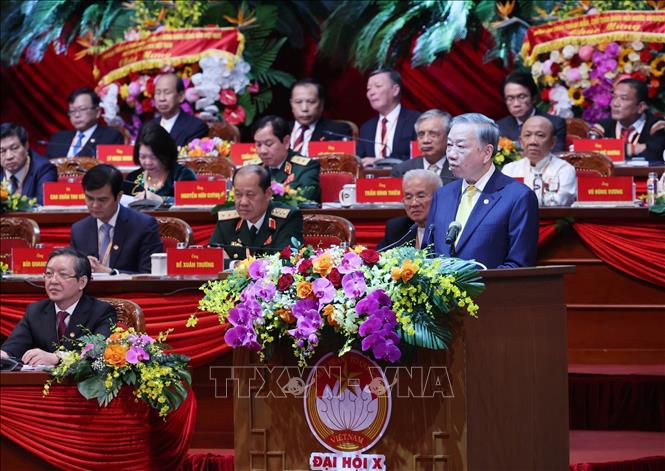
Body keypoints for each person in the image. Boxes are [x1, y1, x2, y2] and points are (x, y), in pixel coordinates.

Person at [426, 113, 539, 269]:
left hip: (492, 292)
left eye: (460, 146)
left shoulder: (518, 197)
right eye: (449, 145)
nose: (451, 154)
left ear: (487, 153)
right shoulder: (442, 195)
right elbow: (428, 254)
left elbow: (518, 264)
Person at [1, 247, 116, 366]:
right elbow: (12, 347)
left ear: (82, 282)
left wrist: (58, 358)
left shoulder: (101, 312)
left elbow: (98, 351)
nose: (53, 281)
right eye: (49, 274)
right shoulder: (35, 311)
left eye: (63, 274)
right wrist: (3, 355)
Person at [71, 164, 164, 274]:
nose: (95, 205)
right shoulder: (79, 230)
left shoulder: (144, 226)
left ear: (119, 196)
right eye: (90, 198)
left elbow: (150, 275)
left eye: (102, 200)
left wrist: (112, 273)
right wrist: (83, 267)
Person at [209, 165, 304, 262]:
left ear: (268, 194)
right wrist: (234, 265)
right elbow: (212, 260)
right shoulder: (227, 221)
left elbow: (285, 262)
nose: (243, 202)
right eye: (238, 194)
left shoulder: (287, 219)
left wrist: (235, 264)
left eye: (250, 195)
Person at [502, 116, 577, 206]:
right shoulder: (509, 169)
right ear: (521, 142)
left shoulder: (564, 169)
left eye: (540, 135)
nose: (533, 141)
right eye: (527, 135)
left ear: (553, 142)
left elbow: (562, 201)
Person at [590, 78, 665, 162]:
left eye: (623, 98)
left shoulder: (657, 126)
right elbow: (588, 151)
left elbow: (655, 154)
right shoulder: (603, 126)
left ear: (641, 107)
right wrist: (633, 149)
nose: (615, 104)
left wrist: (609, 148)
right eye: (614, 97)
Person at [357, 67, 421, 165]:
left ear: (395, 90)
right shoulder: (366, 128)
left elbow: (419, 159)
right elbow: (359, 160)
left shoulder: (416, 121)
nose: (371, 93)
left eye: (378, 86)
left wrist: (381, 162)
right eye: (368, 89)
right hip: (372, 179)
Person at [125, 121, 197, 205]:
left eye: (154, 157)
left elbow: (191, 202)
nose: (148, 162)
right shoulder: (132, 177)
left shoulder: (183, 175)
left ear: (165, 153)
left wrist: (161, 200)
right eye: (143, 157)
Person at [253, 115, 321, 203]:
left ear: (286, 142)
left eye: (269, 144)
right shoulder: (251, 169)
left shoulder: (306, 168)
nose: (263, 151)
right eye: (258, 144)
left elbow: (306, 200)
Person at [496, 72, 566, 152]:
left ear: (534, 98)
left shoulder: (555, 123)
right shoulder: (499, 127)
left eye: (522, 97)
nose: (516, 104)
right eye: (510, 98)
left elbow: (556, 157)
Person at [46, 87, 124, 158]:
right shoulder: (58, 139)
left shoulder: (110, 137)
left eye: (82, 109)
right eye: (72, 110)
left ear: (98, 112)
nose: (76, 115)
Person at [376, 169, 441, 250]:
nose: (414, 203)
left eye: (421, 196)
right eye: (408, 197)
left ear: (439, 197)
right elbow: (379, 258)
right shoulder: (397, 228)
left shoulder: (449, 229)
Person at [390, 109, 456, 185]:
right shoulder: (402, 170)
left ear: (448, 137)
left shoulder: (459, 170)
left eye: (433, 134)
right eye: (421, 135)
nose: (425, 140)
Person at [289, 78, 352, 156]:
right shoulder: (280, 130)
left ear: (321, 104)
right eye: (298, 102)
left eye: (311, 102)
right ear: (291, 104)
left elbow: (342, 162)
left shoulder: (337, 131)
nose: (304, 108)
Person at [1, 122, 57, 205]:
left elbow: (42, 203)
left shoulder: (44, 168)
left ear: (26, 146)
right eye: (2, 151)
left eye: (14, 148)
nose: (9, 156)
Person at [151, 72, 208, 147]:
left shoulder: (195, 127)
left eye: (167, 93)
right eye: (158, 93)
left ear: (181, 96)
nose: (162, 98)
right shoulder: (149, 126)